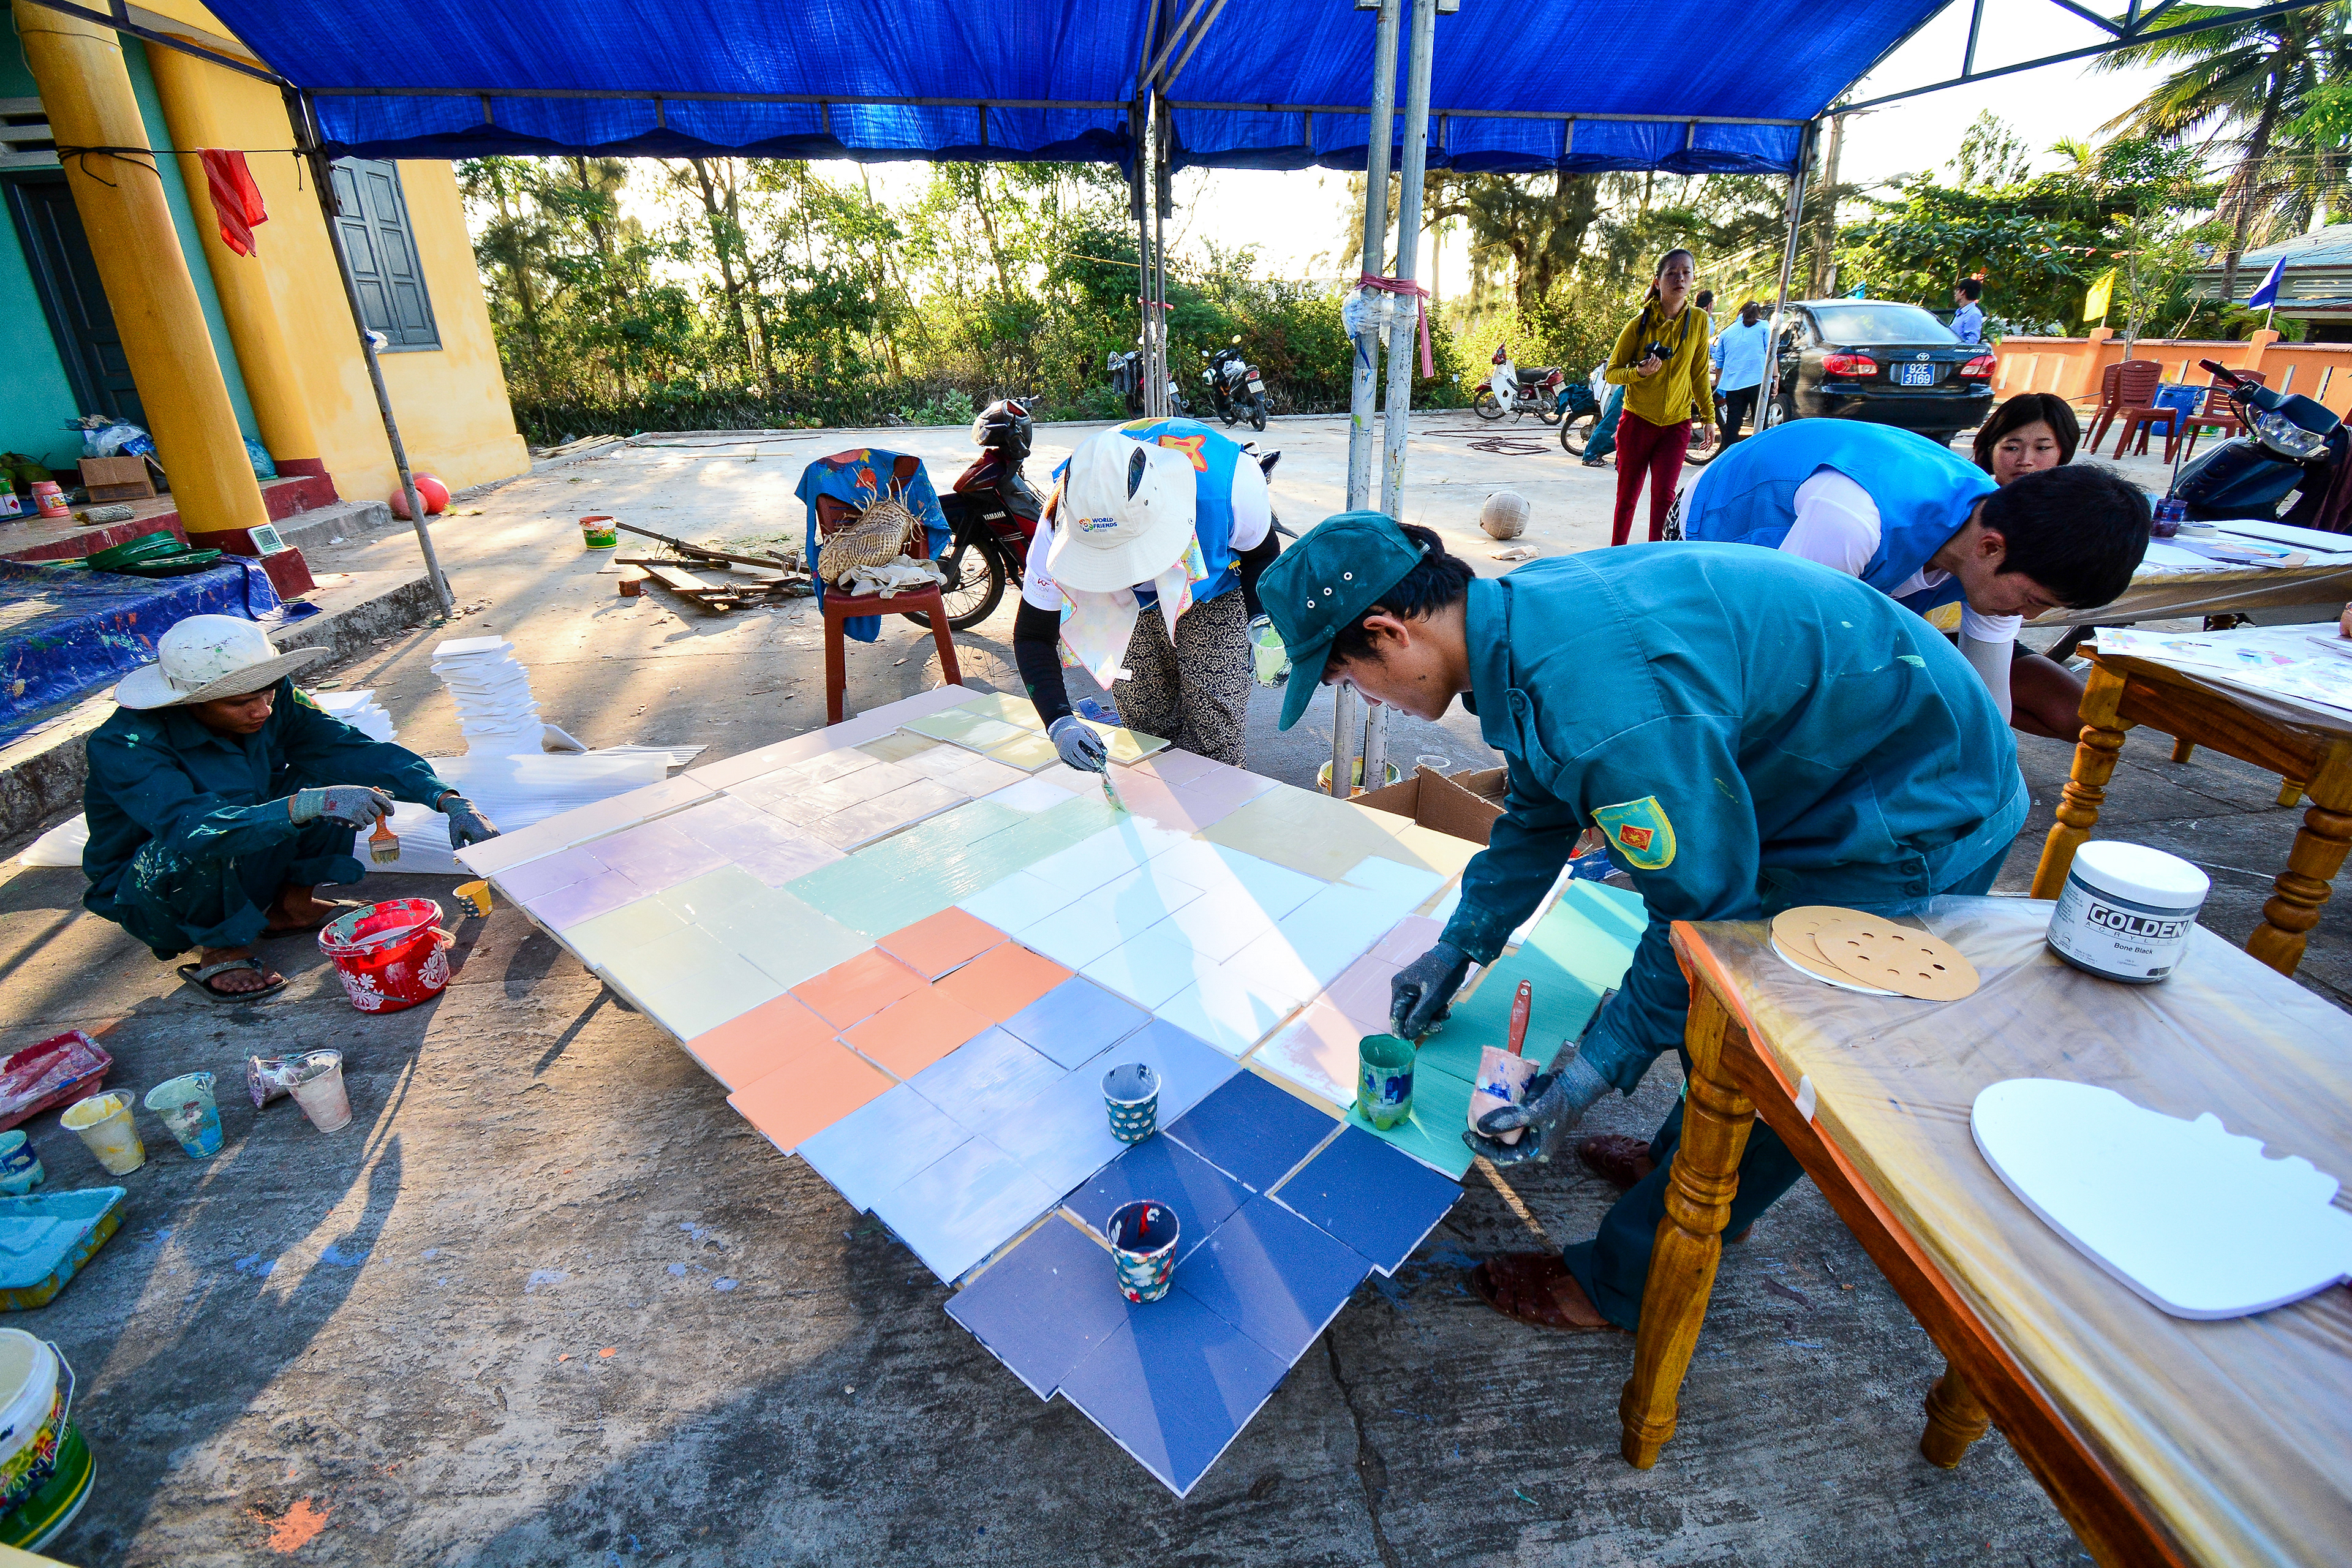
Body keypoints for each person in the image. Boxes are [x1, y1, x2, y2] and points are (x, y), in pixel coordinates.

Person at [1260, 514, 2025, 1332]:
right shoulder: (1516, 624)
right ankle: (1677, 1161)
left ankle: (1625, 1280)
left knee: (1773, 1052)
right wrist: (1463, 941)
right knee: (1719, 1013)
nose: (1368, 702)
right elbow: (1540, 808)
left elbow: (1696, 921)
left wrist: (1590, 1076)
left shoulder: (1606, 712)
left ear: (1388, 631)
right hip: (1838, 766)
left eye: (1350, 681)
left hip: (1916, 808)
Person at [83, 615, 499, 1002]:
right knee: (202, 838)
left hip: (245, 849)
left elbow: (347, 750)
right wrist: (307, 805)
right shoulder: (126, 744)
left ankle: (291, 908)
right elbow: (192, 829)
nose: (262, 709)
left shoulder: (276, 698)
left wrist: (446, 799)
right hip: (155, 884)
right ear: (189, 702)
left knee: (336, 782)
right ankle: (221, 945)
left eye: (268, 693)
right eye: (241, 702)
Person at [1681, 421, 2149, 739]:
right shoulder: (1854, 520)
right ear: (1990, 547)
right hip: (1721, 519)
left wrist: (1978, 772)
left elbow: (1987, 708)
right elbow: (1777, 660)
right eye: (2032, 600)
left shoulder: (2007, 550)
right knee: (1729, 679)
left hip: (1838, 564)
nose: (2029, 617)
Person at [1014, 419, 1280, 769]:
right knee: (1144, 726)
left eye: (1131, 557)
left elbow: (1261, 555)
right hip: (1124, 607)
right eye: (1103, 561)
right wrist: (1059, 721)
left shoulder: (1231, 487)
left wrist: (1262, 621)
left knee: (1215, 726)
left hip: (1213, 593)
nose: (1129, 574)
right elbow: (1034, 634)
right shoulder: (1057, 525)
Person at [1602, 249, 1710, 545]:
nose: (1680, 278)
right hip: (1638, 420)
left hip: (1677, 425)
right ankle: (1617, 556)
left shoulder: (1699, 321)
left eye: (1686, 272)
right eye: (1672, 272)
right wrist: (1639, 373)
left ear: (1693, 279)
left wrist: (1709, 417)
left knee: (1664, 499)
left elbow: (1699, 372)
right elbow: (1611, 373)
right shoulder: (1638, 325)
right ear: (1658, 280)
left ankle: (1655, 560)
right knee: (1627, 497)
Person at [1711, 300, 1771, 447]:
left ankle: (1729, 455)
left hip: (1734, 385)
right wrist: (1775, 377)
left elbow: (1719, 361)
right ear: (1759, 314)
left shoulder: (1726, 332)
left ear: (1740, 313)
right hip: (1759, 382)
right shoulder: (1764, 327)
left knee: (1733, 424)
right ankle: (1760, 453)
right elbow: (1771, 353)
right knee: (1761, 421)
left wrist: (1718, 381)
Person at [1951, 277, 1986, 345]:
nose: (1955, 294)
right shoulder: (1961, 313)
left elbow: (1972, 341)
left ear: (1962, 292)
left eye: (1957, 290)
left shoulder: (1973, 314)